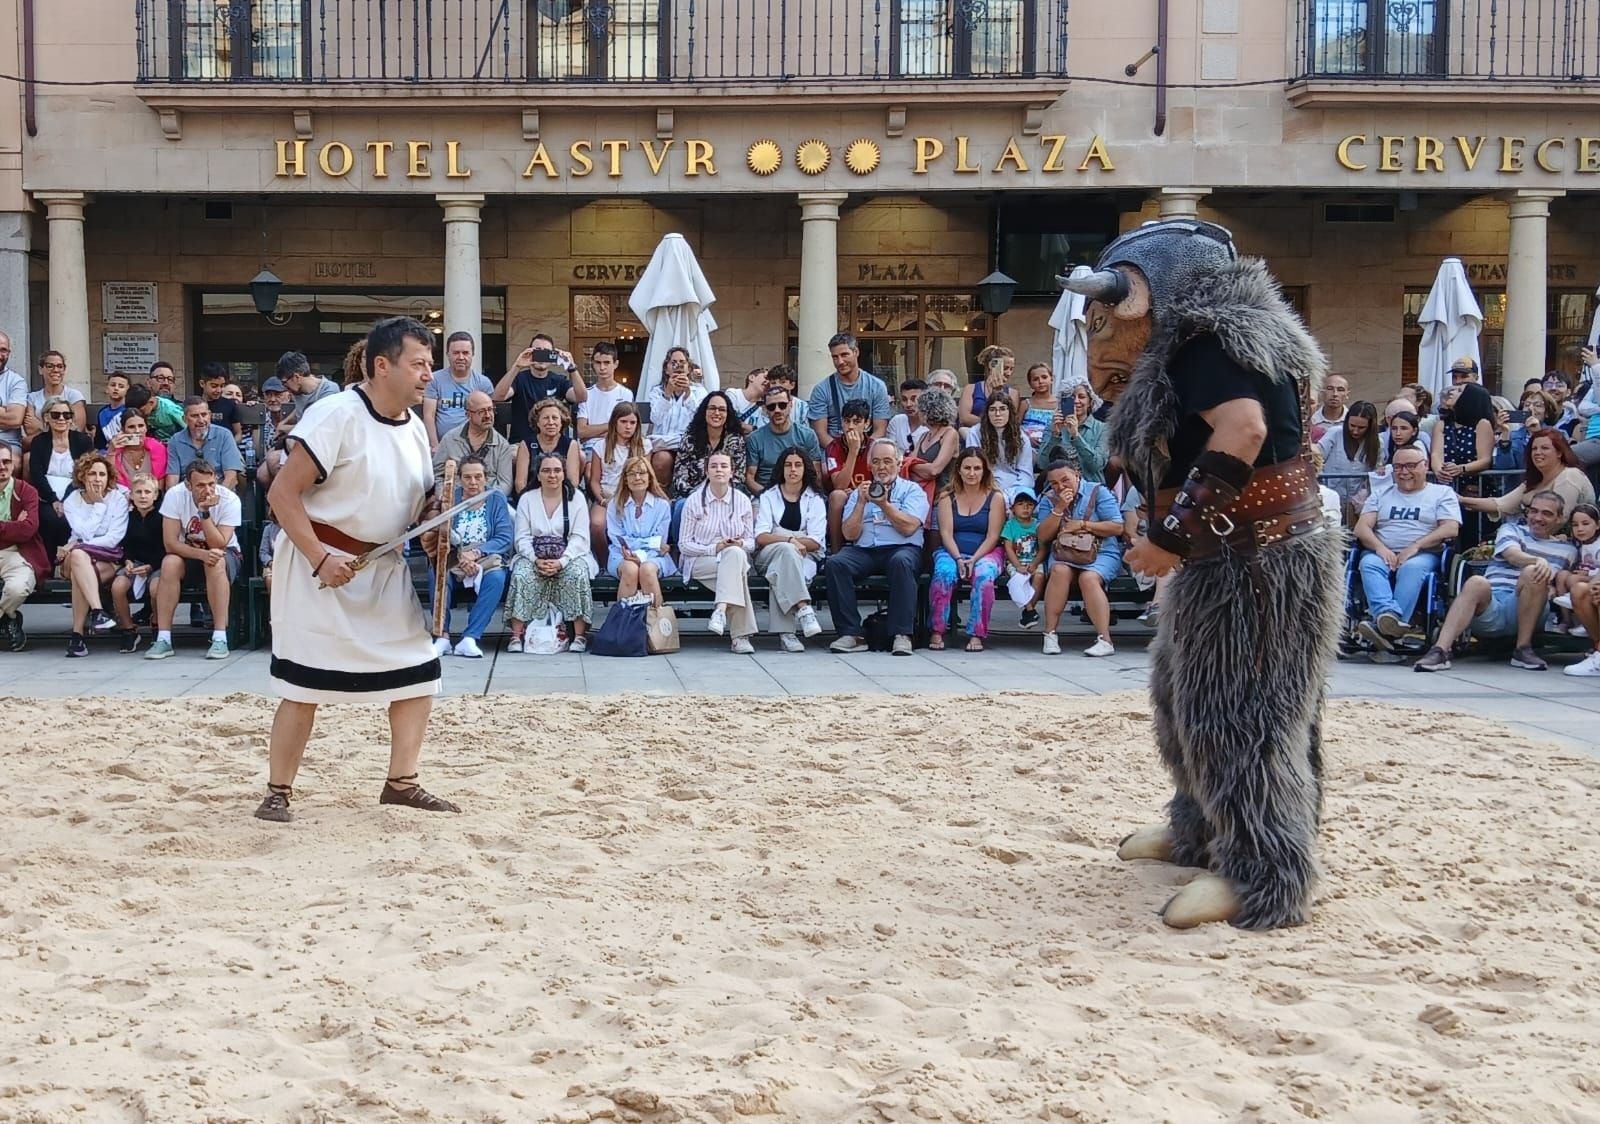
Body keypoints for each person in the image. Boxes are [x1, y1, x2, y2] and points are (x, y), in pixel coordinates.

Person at [1062, 218, 1343, 930]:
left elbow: (1243, 431)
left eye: (1107, 315)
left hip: (1258, 554)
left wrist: (1174, 537)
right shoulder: (1200, 344)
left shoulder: (1210, 340)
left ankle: (1264, 875)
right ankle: (1202, 831)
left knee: (1245, 716)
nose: (1100, 333)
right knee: (1187, 699)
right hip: (1233, 552)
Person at [256, 318, 454, 822]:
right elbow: (282, 494)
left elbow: (415, 504)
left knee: (418, 672)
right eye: (419, 364)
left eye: (430, 365)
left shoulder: (413, 428)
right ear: (382, 365)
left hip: (381, 567)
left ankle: (402, 782)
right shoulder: (335, 415)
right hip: (317, 565)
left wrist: (433, 523)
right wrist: (321, 557)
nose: (428, 375)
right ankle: (278, 790)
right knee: (303, 684)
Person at [1415, 490, 1575, 673]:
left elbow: (1565, 581)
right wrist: (1537, 561)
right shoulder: (1511, 529)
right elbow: (1512, 555)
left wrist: (1551, 586)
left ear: (1560, 519)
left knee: (1532, 573)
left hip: (1531, 607)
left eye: (1547, 513)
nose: (1538, 517)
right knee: (1476, 582)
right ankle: (1440, 651)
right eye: (1534, 511)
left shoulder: (1568, 550)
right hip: (1493, 604)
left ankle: (1523, 649)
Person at [1351, 447, 1462, 652]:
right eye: (1399, 467)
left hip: (1424, 553)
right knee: (1368, 563)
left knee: (1412, 567)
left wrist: (1415, 546)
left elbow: (1450, 527)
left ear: (1425, 466)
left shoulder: (1442, 493)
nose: (1404, 472)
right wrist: (1380, 548)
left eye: (1411, 466)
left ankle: (1384, 627)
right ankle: (1389, 617)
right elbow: (1361, 527)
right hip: (1382, 551)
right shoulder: (1381, 494)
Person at [826, 438, 930, 656]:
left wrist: (884, 504)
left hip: (902, 547)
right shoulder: (858, 493)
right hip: (865, 550)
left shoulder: (913, 491)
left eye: (887, 461)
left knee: (901, 562)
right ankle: (851, 634)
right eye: (876, 462)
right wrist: (862, 503)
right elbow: (849, 534)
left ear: (899, 464)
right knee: (836, 563)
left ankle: (902, 635)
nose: (882, 467)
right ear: (870, 466)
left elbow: (909, 527)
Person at [144, 458, 240, 661]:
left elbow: (220, 544)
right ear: (188, 485)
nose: (208, 490)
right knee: (169, 563)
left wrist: (204, 513)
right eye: (201, 485)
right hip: (187, 553)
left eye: (211, 483)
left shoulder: (230, 499)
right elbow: (170, 543)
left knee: (215, 562)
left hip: (225, 553)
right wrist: (202, 554)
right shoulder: (175, 495)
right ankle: (163, 638)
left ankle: (220, 637)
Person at [506, 451, 595, 654]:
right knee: (521, 574)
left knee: (577, 574)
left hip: (569, 555)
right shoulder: (527, 499)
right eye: (546, 470)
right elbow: (521, 537)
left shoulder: (577, 499)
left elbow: (580, 537)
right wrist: (535, 560)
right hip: (534, 556)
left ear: (564, 474)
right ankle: (516, 636)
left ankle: (580, 636)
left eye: (557, 470)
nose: (552, 475)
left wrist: (562, 562)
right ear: (538, 475)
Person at [425, 457, 512, 661]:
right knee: (436, 571)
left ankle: (470, 637)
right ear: (459, 479)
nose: (473, 482)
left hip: (485, 555)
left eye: (478, 477)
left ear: (486, 478)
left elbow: (504, 537)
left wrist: (476, 554)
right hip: (455, 555)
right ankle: (442, 635)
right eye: (467, 477)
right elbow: (441, 535)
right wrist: (459, 557)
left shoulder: (496, 498)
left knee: (497, 577)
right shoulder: (450, 499)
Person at [1035, 460, 1125, 656]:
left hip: (1100, 552)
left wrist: (1084, 525)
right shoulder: (1048, 499)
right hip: (1064, 553)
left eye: (1065, 480)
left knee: (1089, 578)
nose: (1060, 486)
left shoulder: (1098, 492)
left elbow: (1117, 527)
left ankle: (1105, 640)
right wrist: (1059, 508)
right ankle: (1050, 634)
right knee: (1059, 571)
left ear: (1077, 475)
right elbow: (1042, 536)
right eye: (1054, 483)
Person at [678, 451, 758, 655]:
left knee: (736, 556)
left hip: (732, 559)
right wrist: (714, 548)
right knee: (736, 571)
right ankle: (740, 637)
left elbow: (751, 543)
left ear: (732, 472)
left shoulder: (742, 500)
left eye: (724, 466)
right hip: (701, 561)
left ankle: (720, 611)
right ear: (707, 472)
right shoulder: (694, 501)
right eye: (714, 466)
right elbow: (684, 545)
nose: (719, 470)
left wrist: (738, 543)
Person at [928, 449, 1006, 652]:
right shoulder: (947, 496)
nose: (972, 473)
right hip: (952, 550)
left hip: (986, 552)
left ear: (984, 471)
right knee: (944, 573)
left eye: (977, 468)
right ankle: (937, 630)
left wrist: (973, 559)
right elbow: (945, 533)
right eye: (967, 468)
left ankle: (976, 633)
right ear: (959, 470)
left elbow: (993, 536)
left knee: (984, 575)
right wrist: (958, 559)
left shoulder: (996, 497)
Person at [753, 448, 827, 651]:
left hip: (805, 556)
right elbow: (761, 537)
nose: (792, 469)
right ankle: (804, 608)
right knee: (786, 552)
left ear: (805, 469)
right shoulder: (768, 496)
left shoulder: (816, 499)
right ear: (781, 469)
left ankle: (787, 635)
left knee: (781, 571)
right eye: (788, 465)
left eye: (798, 465)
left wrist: (781, 535)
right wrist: (791, 539)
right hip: (767, 555)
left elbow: (817, 541)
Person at [58, 452, 130, 656]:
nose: (98, 479)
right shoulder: (72, 501)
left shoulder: (118, 498)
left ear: (109, 477)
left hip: (108, 557)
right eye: (92, 474)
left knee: (79, 569)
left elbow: (113, 538)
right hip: (78, 559)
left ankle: (77, 637)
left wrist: (78, 545)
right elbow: (83, 532)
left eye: (102, 474)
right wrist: (98, 505)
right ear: (82, 476)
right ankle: (98, 611)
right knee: (80, 558)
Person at [1458, 429, 1594, 526]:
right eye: (1534, 449)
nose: (1538, 453)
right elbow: (1501, 504)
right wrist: (1459, 499)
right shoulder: (1534, 480)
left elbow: (1559, 521)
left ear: (1559, 453)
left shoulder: (1569, 475)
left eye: (1544, 448)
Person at [27, 395, 94, 560]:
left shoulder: (83, 441)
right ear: (46, 417)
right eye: (56, 415)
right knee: (48, 519)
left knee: (68, 519)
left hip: (75, 494)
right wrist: (53, 500)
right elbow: (36, 474)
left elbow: (84, 472)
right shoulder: (38, 442)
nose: (61, 419)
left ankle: (70, 564)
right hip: (46, 496)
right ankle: (48, 567)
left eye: (67, 415)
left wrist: (65, 500)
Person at [606, 456, 676, 608]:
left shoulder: (662, 505)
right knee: (630, 569)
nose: (637, 478)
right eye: (632, 474)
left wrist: (642, 555)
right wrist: (648, 544)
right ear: (625, 479)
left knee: (647, 569)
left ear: (650, 478)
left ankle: (656, 625)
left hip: (654, 556)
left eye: (642, 473)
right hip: (621, 554)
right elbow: (618, 539)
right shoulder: (615, 504)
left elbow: (659, 541)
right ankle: (624, 624)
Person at [495, 332, 586, 447]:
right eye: (538, 351)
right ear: (530, 352)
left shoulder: (559, 380)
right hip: (521, 443)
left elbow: (581, 397)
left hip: (553, 444)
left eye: (546, 352)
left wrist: (571, 367)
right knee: (513, 456)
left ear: (553, 355)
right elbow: (498, 396)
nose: (542, 356)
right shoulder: (519, 379)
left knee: (580, 457)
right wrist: (517, 366)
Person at [0, 441, 48, 651]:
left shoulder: (26, 490)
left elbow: (28, 529)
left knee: (17, 589)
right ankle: (8, 618)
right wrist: (13, 526)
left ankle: (5, 617)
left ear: (14, 464)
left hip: (17, 553)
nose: (2, 466)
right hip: (12, 543)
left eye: (6, 461)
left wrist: (18, 528)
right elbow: (20, 529)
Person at [110, 473, 164, 653]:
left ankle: (157, 625)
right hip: (135, 563)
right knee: (118, 586)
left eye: (147, 492)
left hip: (157, 564)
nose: (143, 496)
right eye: (138, 492)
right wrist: (127, 561)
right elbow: (125, 544)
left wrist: (150, 567)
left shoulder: (162, 518)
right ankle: (128, 629)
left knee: (156, 588)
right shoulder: (128, 517)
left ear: (155, 495)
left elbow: (165, 548)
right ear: (131, 495)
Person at [586, 401, 647, 558]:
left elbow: (648, 477)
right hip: (607, 495)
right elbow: (594, 480)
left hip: (635, 497)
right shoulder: (601, 446)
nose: (628, 426)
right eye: (623, 422)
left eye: (632, 422)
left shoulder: (644, 445)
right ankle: (605, 561)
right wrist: (601, 500)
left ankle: (636, 557)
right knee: (597, 524)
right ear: (614, 422)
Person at [809, 332, 891, 443]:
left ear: (856, 352)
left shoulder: (877, 386)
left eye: (844, 355)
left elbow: (880, 430)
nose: (840, 362)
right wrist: (841, 452)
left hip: (867, 449)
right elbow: (820, 433)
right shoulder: (821, 390)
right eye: (835, 357)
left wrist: (862, 452)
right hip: (833, 449)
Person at [744, 385, 824, 496]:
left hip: (801, 495)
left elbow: (816, 474)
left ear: (790, 405)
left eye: (782, 405)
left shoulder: (807, 435)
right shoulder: (755, 438)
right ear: (765, 409)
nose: (777, 410)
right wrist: (769, 496)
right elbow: (749, 478)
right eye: (771, 407)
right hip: (765, 494)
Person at [422, 331, 495, 450]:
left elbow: (488, 417)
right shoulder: (434, 380)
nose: (461, 357)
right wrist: (435, 446)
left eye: (465, 353)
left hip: (475, 446)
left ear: (473, 354)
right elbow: (429, 415)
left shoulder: (483, 383)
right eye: (456, 353)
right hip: (442, 446)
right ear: (448, 354)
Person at [434, 390, 514, 497]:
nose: (488, 415)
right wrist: (444, 496)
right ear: (468, 414)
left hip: (489, 502)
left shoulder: (502, 445)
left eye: (490, 410)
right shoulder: (450, 439)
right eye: (481, 411)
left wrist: (483, 500)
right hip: (455, 501)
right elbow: (437, 475)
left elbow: (505, 484)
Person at [645, 347, 706, 483]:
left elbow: (700, 419)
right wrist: (667, 394)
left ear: (688, 368)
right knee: (661, 461)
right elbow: (656, 418)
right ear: (667, 369)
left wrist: (688, 394)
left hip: (688, 445)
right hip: (663, 444)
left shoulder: (699, 391)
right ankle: (663, 498)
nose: (678, 366)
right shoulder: (657, 391)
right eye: (673, 362)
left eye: (682, 362)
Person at [1316, 400, 1382, 521]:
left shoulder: (1377, 443)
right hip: (1331, 501)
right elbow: (1316, 457)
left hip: (1357, 505)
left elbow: (1376, 474)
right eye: (1352, 426)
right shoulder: (1335, 433)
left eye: (1361, 427)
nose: (1355, 431)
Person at [824, 399, 875, 547]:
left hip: (869, 495)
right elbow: (839, 485)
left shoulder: (875, 447)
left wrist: (859, 492)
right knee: (836, 496)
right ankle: (836, 551)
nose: (850, 427)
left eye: (857, 421)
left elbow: (883, 480)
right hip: (845, 495)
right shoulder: (834, 447)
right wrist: (853, 451)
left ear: (867, 424)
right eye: (847, 421)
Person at [164, 397, 243, 491]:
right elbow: (172, 479)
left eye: (204, 414)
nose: (201, 420)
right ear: (184, 419)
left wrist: (217, 499)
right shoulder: (175, 441)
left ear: (209, 415)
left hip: (220, 492)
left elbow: (231, 477)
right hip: (188, 495)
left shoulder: (224, 435)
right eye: (195, 416)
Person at [1429, 381, 1496, 490]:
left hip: (1474, 486)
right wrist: (1439, 470)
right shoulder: (1441, 425)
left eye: (1459, 391)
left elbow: (1485, 460)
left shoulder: (1482, 424)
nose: (1452, 392)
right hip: (1446, 484)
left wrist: (1461, 469)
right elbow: (1436, 454)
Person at [968, 394, 1035, 502]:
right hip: (987, 482)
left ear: (1009, 412)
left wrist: (1012, 492)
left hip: (1015, 485)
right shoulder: (975, 433)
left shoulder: (1021, 437)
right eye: (993, 410)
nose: (997, 414)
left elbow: (1026, 473)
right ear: (987, 413)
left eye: (1002, 409)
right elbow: (974, 466)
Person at [1037, 383, 1107, 483]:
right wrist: (1055, 435)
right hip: (1058, 487)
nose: (1076, 401)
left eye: (1082, 397)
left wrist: (1076, 436)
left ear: (1090, 402)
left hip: (1090, 485)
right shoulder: (1053, 426)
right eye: (1071, 398)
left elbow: (1097, 465)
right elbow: (1042, 464)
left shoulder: (1102, 428)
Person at [512, 398, 583, 496]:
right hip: (531, 497)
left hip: (561, 497)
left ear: (561, 421)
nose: (550, 422)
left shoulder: (571, 445)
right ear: (537, 422)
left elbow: (573, 482)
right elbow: (520, 483)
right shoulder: (526, 444)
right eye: (546, 418)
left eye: (555, 418)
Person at [575, 342, 634, 457]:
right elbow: (581, 431)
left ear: (615, 364)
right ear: (593, 364)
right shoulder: (586, 394)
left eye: (607, 363)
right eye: (598, 363)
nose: (602, 368)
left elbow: (626, 431)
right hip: (591, 448)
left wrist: (592, 432)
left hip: (617, 447)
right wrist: (612, 425)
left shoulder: (626, 394)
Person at [906, 386, 961, 499]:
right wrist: (915, 467)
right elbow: (907, 464)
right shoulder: (923, 436)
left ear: (928, 410)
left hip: (941, 499)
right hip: (920, 496)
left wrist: (913, 467)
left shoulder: (950, 434)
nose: (917, 413)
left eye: (919, 409)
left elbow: (935, 470)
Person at [1002, 488, 1043, 628]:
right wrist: (1018, 565)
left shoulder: (1038, 525)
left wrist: (1035, 563)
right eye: (1020, 504)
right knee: (1018, 579)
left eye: (1029, 504)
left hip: (1034, 561)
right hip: (1016, 561)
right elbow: (1008, 548)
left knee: (1039, 577)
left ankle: (1028, 610)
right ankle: (1030, 610)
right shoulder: (1010, 525)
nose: (1025, 508)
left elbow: (1043, 548)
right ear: (1013, 508)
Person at [22, 350, 86, 436]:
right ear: (40, 369)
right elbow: (30, 429)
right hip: (38, 447)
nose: (55, 370)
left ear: (64, 370)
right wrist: (61, 429)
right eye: (50, 366)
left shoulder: (74, 396)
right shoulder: (32, 398)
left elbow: (77, 431)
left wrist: (41, 426)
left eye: (60, 366)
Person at [106, 408, 167, 489]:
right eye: (131, 427)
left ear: (146, 428)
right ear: (123, 430)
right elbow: (110, 481)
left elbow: (160, 485)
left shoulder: (158, 449)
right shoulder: (116, 452)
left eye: (141, 426)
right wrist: (111, 452)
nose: (137, 431)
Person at [959, 344, 1017, 428]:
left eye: (1011, 369)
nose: (1009, 373)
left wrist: (998, 391)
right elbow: (965, 418)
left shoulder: (1013, 393)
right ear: (992, 365)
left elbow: (1010, 420)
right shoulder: (971, 389)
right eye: (1005, 368)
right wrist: (994, 421)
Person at [278, 351, 340, 423]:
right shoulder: (298, 391)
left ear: (296, 377)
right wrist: (284, 422)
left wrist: (283, 428)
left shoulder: (328, 391)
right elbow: (299, 409)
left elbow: (316, 426)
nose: (285, 387)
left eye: (284, 382)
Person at [196, 362, 243, 439]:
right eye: (214, 386)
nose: (219, 390)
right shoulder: (195, 405)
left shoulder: (230, 405)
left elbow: (238, 434)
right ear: (202, 383)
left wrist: (229, 447)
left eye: (222, 386)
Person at [0, 329, 27, 455]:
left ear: (9, 353)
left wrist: (9, 415)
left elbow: (15, 419)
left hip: (7, 443)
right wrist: (3, 411)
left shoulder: (16, 381)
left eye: (3, 350)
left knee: (12, 462)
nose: (0, 354)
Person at [1019, 364, 1058, 449]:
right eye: (1035, 379)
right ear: (1030, 384)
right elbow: (1015, 427)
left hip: (1051, 447)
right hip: (1027, 448)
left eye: (1044, 377)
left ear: (1051, 379)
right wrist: (1027, 439)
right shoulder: (1025, 404)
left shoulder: (1059, 404)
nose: (1040, 381)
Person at [885, 377, 928, 453]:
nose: (908, 404)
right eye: (904, 399)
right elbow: (890, 453)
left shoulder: (931, 426)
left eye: (914, 399)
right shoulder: (896, 421)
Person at [723, 366, 769, 434]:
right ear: (751, 377)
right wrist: (753, 428)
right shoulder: (733, 394)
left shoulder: (764, 408)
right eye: (766, 378)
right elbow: (728, 420)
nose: (768, 382)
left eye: (770, 381)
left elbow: (764, 433)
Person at [763, 364, 810, 428]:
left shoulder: (802, 407)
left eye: (782, 382)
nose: (777, 386)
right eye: (773, 383)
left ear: (792, 385)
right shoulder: (766, 405)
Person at [94, 372, 131, 448]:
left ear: (127, 390)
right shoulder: (102, 413)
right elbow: (99, 440)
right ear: (107, 388)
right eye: (113, 385)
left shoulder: (130, 411)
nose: (116, 388)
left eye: (121, 386)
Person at [1308, 373, 1349, 443]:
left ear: (1347, 394)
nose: (1335, 394)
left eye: (1340, 389)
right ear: (1322, 392)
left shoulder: (1352, 422)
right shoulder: (1311, 421)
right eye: (1330, 389)